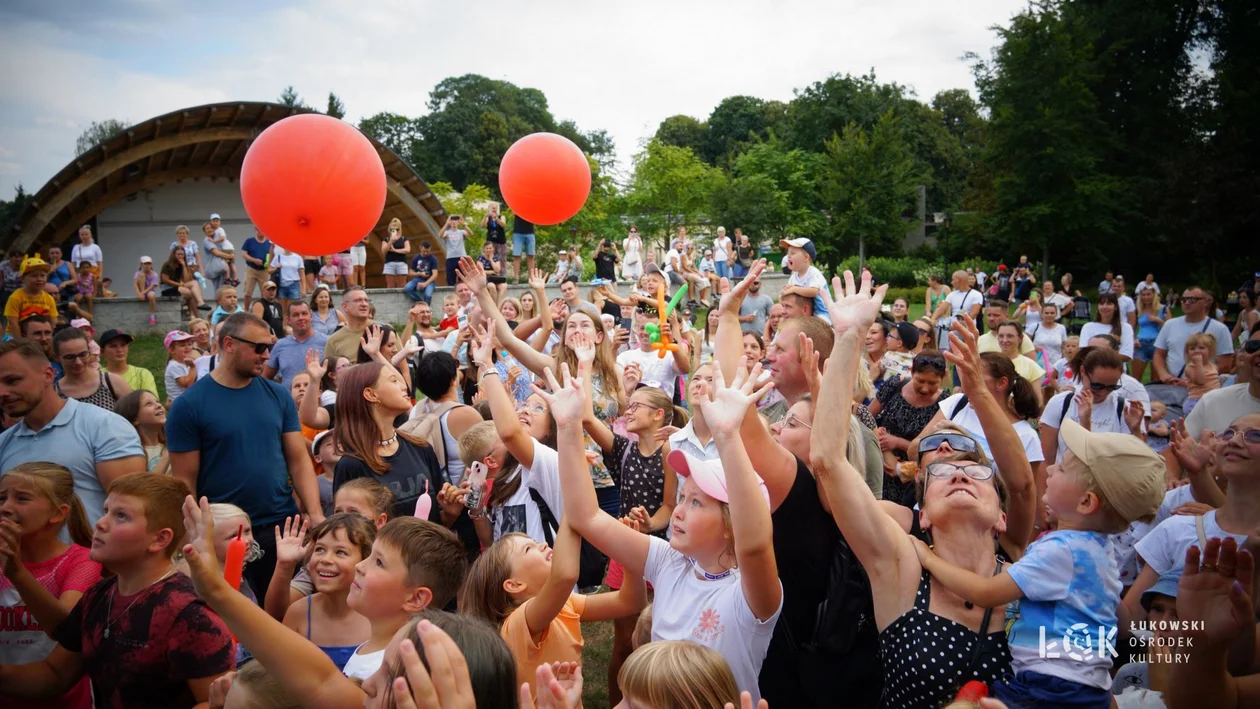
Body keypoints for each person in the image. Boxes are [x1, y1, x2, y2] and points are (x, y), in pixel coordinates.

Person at [812, 291, 1034, 708]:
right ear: (924, 512)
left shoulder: (1028, 570)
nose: (959, 470)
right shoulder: (900, 564)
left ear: (1002, 517)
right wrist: (848, 337)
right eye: (943, 470)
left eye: (974, 470)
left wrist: (978, 394)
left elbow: (1023, 485)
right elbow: (828, 462)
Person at [543, 361, 783, 703]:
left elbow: (756, 545)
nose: (679, 511)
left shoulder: (750, 595)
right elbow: (587, 517)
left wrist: (728, 438)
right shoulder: (669, 562)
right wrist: (567, 427)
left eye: (697, 503)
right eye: (682, 497)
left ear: (732, 525)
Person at [913, 418, 1164, 708]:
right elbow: (1120, 620)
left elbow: (985, 593)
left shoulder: (1061, 551)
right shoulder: (1100, 551)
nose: (1052, 468)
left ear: (1085, 502)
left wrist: (929, 558)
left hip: (1050, 687)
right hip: (1090, 687)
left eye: (1064, 467)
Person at [0, 474, 234, 708]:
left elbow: (215, 702)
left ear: (160, 539)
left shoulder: (189, 613)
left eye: (121, 516)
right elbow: (54, 675)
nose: (101, 523)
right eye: (106, 510)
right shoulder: (98, 596)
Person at [167, 313, 325, 600]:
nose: (267, 355)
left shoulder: (278, 394)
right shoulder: (189, 405)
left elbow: (298, 459)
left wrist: (314, 513)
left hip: (280, 527)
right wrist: (194, 537)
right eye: (259, 348)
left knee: (280, 615)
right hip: (224, 534)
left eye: (270, 347)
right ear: (229, 343)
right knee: (230, 617)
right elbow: (183, 482)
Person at [460, 519, 646, 691]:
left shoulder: (565, 604)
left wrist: (629, 556)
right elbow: (564, 575)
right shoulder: (516, 625)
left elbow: (631, 602)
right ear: (514, 585)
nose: (543, 544)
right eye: (528, 549)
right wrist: (572, 514)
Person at [0, 339, 145, 525]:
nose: (2, 392)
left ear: (48, 375)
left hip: (95, 553)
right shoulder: (5, 443)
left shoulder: (104, 426)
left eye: (12, 380)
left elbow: (134, 509)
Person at [0, 462, 101, 709]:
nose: (5, 508)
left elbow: (66, 627)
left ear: (57, 513)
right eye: (2, 498)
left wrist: (18, 574)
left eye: (22, 499)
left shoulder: (81, 560)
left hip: (64, 701)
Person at [279, 514, 374, 671]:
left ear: (365, 560)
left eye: (341, 552)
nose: (326, 559)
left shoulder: (380, 615)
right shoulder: (299, 612)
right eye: (320, 549)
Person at [1040, 347, 1145, 465]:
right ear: (1083, 371)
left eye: (1112, 387)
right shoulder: (1061, 403)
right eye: (1097, 385)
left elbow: (1137, 462)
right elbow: (1047, 461)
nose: (1103, 392)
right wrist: (1085, 422)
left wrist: (1135, 430)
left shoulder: (1123, 408)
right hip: (1067, 479)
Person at [869, 353, 950, 507]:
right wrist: (885, 452)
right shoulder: (895, 384)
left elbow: (937, 447)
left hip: (911, 477)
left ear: (943, 378)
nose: (925, 388)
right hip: (879, 466)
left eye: (933, 383)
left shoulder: (946, 403)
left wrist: (898, 443)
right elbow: (866, 417)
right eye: (920, 381)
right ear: (912, 372)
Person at [1152, 285, 1235, 388]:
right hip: (1174, 385)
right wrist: (1163, 374)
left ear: (1205, 302)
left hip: (1205, 388)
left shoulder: (1220, 329)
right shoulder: (1170, 325)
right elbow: (1159, 354)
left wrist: (1193, 380)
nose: (1187, 303)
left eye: (1192, 299)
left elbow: (1225, 365)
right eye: (1184, 299)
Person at [52, 327, 131, 412]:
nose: (78, 362)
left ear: (90, 351)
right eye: (70, 357)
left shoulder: (111, 382)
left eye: (83, 355)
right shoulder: (54, 393)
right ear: (56, 357)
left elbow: (135, 418)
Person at [262, 300, 327, 385]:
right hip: (287, 397)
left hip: (318, 397)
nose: (301, 318)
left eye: (304, 313)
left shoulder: (327, 342)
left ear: (311, 316)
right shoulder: (280, 345)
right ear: (288, 320)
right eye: (296, 315)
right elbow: (265, 378)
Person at [115, 390, 169, 474]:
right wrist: (167, 455)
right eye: (148, 404)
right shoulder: (131, 454)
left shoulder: (167, 445)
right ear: (135, 419)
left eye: (157, 401)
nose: (158, 405)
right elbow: (144, 485)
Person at [4, 257, 57, 338]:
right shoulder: (16, 297)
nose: (39, 279)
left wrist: (47, 337)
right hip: (16, 334)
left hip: (41, 334)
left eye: (42, 275)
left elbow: (53, 322)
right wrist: (21, 342)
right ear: (22, 278)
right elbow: (13, 323)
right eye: (34, 276)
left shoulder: (49, 298)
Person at [779, 238, 828, 319]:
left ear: (806, 257)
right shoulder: (793, 277)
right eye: (788, 254)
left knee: (818, 328)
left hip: (822, 312)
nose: (788, 256)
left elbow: (814, 291)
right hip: (804, 313)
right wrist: (783, 294)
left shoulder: (813, 272)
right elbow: (788, 294)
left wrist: (793, 289)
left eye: (793, 253)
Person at [98, 329, 156, 397]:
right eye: (113, 346)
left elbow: (152, 402)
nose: (119, 350)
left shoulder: (143, 374)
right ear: (102, 351)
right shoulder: (98, 377)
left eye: (123, 345)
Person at [1079, 292, 1135, 361]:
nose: (1105, 307)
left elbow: (1126, 355)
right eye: (1101, 304)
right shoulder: (1087, 327)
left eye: (1109, 304)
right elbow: (1083, 351)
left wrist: (1098, 356)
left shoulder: (1126, 328)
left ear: (1115, 307)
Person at [323, 287, 371, 362]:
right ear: (345, 306)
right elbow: (330, 370)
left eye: (366, 300)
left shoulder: (383, 330)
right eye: (358, 300)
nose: (364, 304)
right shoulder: (334, 340)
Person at [159, 248, 210, 313]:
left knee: (194, 282)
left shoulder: (181, 264)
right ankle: (193, 315)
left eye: (182, 254)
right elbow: (165, 280)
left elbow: (187, 280)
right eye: (178, 254)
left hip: (179, 286)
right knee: (190, 293)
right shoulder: (168, 265)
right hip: (167, 288)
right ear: (174, 255)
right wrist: (179, 284)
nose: (180, 256)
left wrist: (184, 266)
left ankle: (201, 303)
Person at [1183, 332, 1222, 415]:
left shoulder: (1213, 366)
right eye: (1192, 349)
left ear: (1210, 351)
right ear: (1187, 352)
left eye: (1201, 348)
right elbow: (1200, 381)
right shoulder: (1190, 368)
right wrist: (1198, 364)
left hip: (1212, 400)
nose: (1197, 351)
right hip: (1197, 402)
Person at [240, 227, 274, 312]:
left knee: (265, 292)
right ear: (256, 231)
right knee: (248, 292)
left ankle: (264, 311)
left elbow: (273, 255)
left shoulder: (269, 243)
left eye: (262, 230)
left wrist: (270, 265)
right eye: (259, 230)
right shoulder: (249, 241)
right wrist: (254, 260)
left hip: (264, 270)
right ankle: (246, 310)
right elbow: (244, 254)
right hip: (251, 269)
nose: (261, 232)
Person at [69, 226, 103, 295]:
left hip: (92, 270)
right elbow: (73, 263)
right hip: (79, 271)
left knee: (94, 291)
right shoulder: (76, 247)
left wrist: (100, 276)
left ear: (90, 235)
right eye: (82, 234)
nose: (84, 236)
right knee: (80, 291)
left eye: (86, 234)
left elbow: (100, 263)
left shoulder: (95, 247)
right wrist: (73, 275)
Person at [378, 217, 410, 289]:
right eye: (393, 229)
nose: (395, 231)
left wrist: (395, 250)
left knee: (402, 285)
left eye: (397, 229)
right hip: (389, 263)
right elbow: (383, 250)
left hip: (401, 263)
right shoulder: (386, 239)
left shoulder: (403, 239)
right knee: (390, 286)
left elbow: (407, 250)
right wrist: (391, 241)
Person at [272, 248, 306, 313]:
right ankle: (283, 323)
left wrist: (304, 289)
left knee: (293, 309)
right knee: (282, 310)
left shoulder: (298, 258)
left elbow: (302, 274)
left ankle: (291, 323)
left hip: (294, 284)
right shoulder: (278, 257)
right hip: (281, 285)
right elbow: (269, 270)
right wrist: (276, 267)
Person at [131, 256, 159, 325]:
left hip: (148, 291)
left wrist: (143, 293)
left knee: (152, 295)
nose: (147, 265)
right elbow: (135, 284)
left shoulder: (154, 274)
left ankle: (152, 315)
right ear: (141, 264)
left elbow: (152, 286)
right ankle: (142, 294)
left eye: (149, 264)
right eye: (145, 264)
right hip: (141, 291)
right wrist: (139, 294)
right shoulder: (138, 273)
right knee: (141, 275)